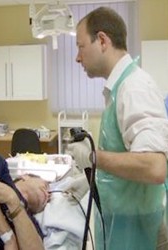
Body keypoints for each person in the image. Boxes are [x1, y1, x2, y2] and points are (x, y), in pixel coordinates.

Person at [66, 6, 168, 250]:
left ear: (102, 40)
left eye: (80, 47)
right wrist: (94, 180)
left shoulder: (134, 88)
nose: (77, 57)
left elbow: (154, 167)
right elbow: (127, 156)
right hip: (127, 223)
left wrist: (93, 158)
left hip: (141, 229)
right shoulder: (119, 88)